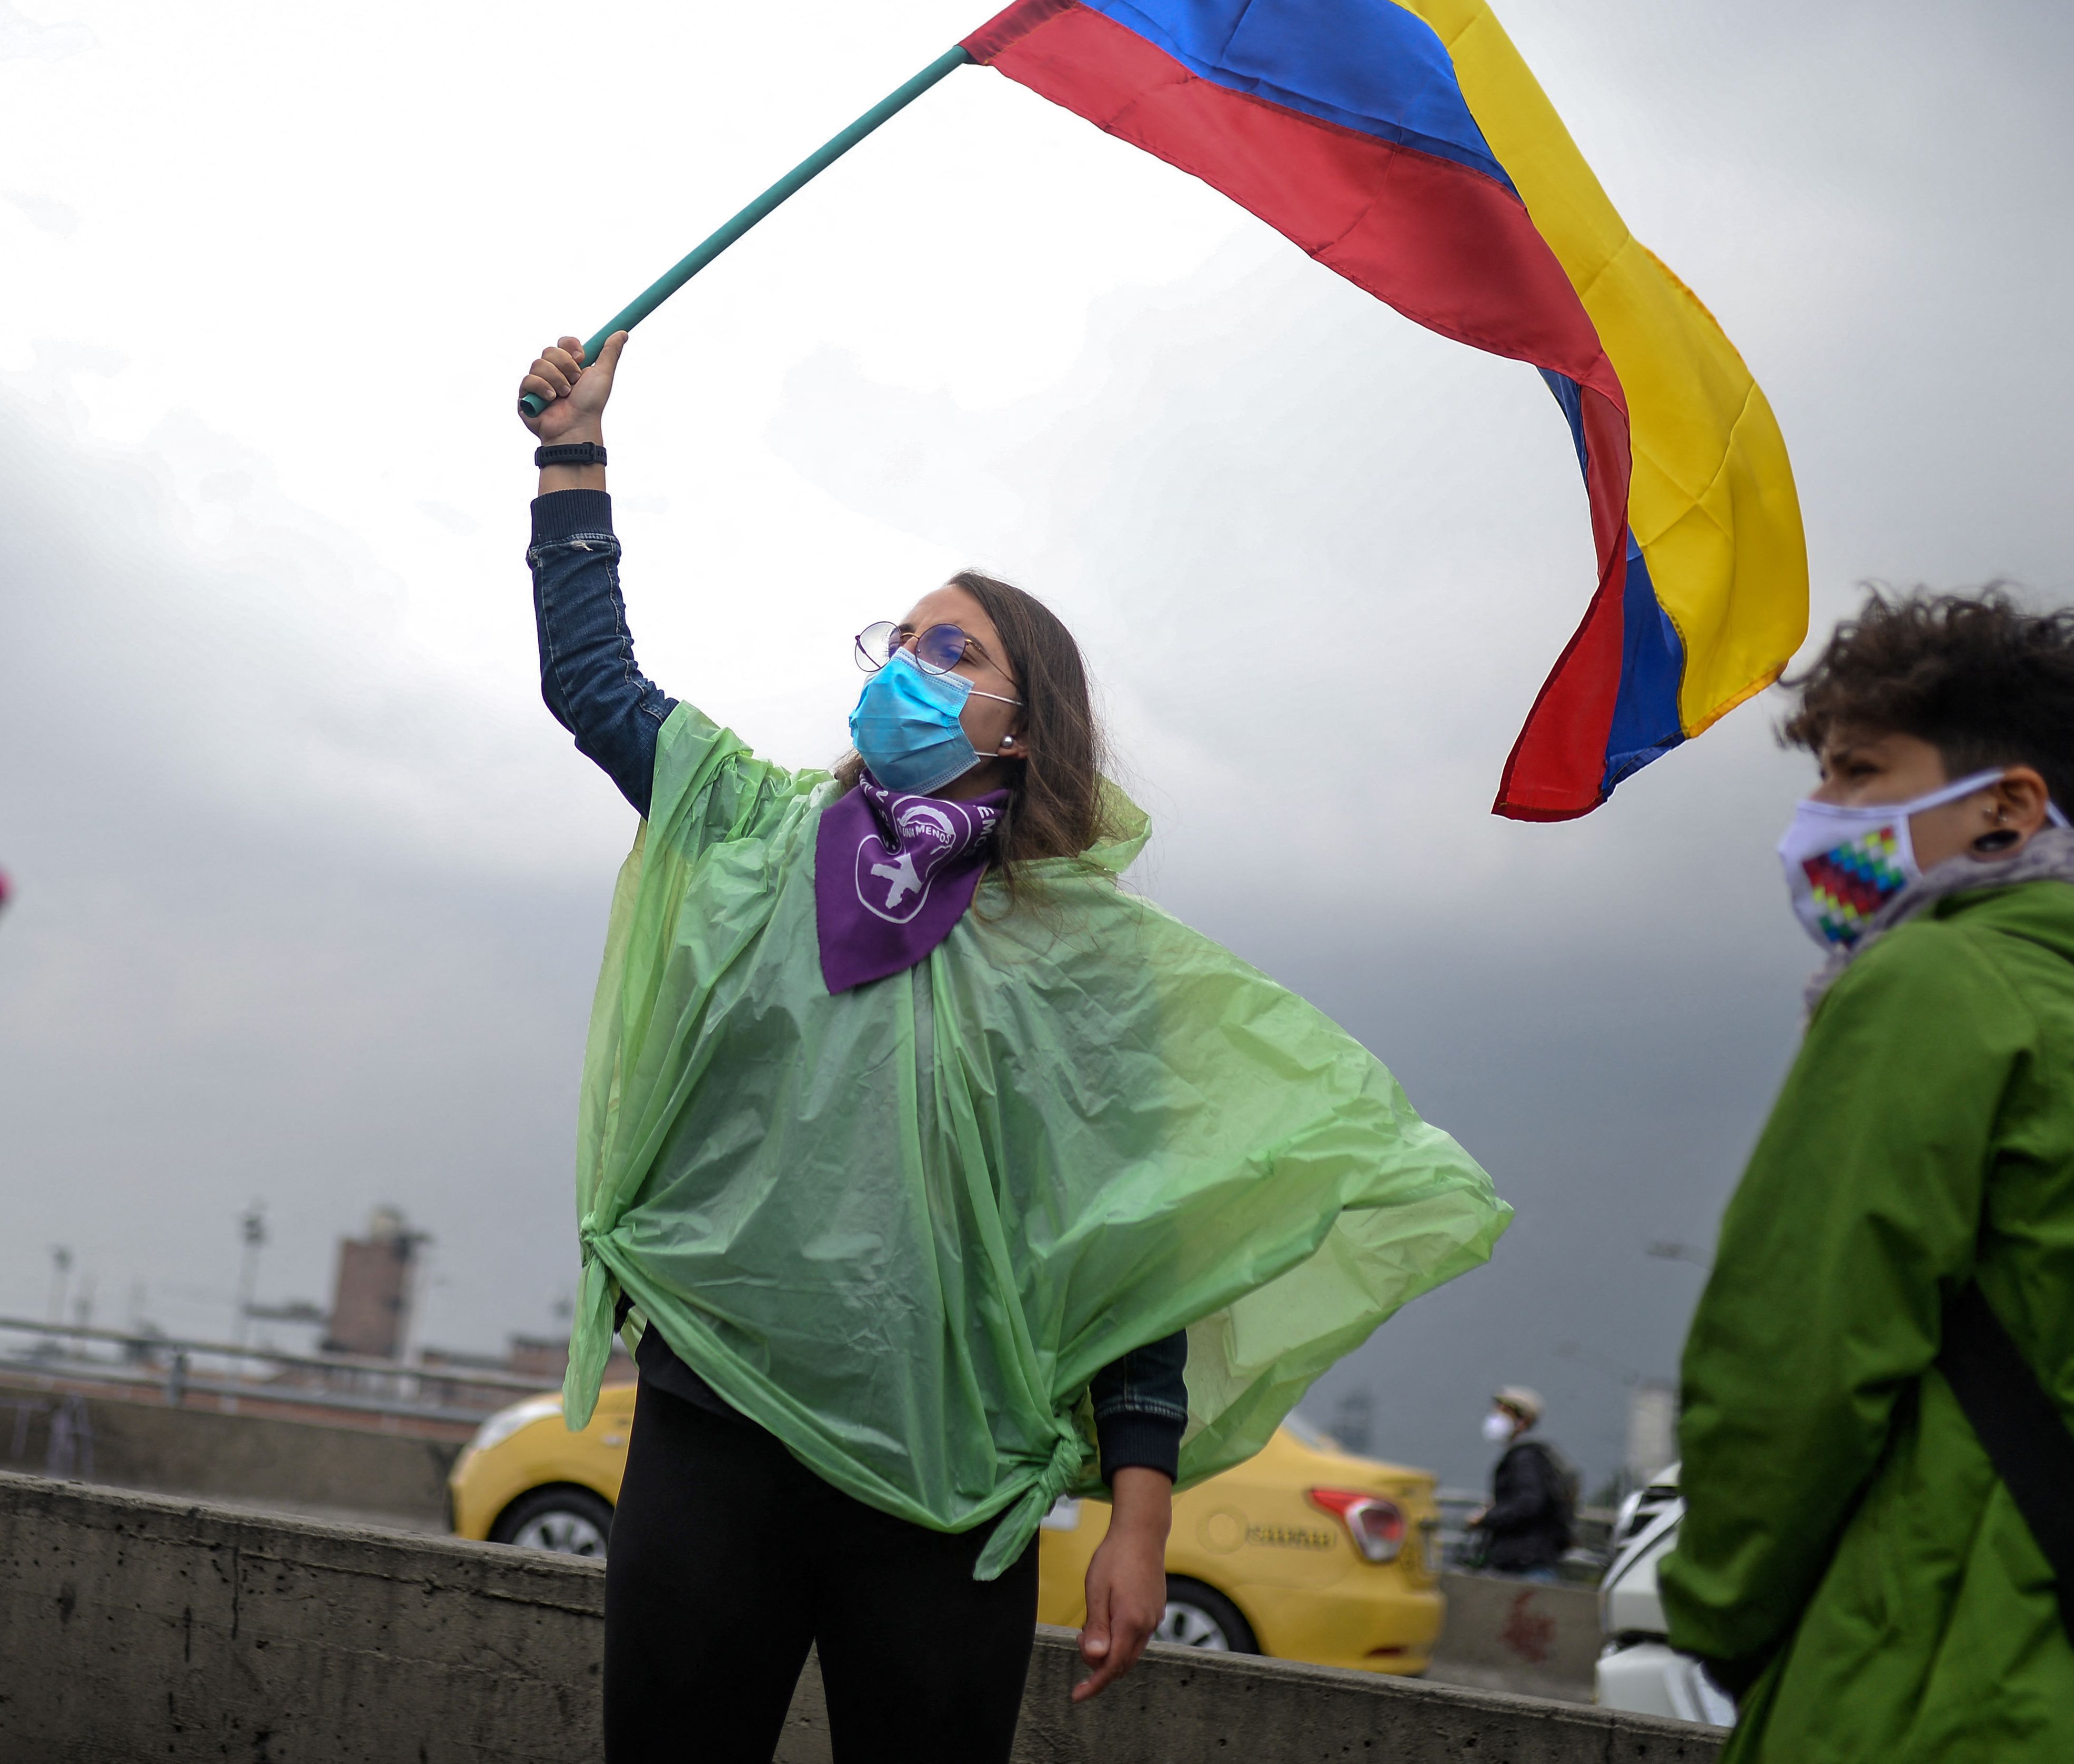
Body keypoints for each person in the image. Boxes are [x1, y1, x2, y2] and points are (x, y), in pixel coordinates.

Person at [518, 332, 1507, 1762]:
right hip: (714, 1426)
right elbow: (593, 681)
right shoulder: (751, 828)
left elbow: (1135, 1257)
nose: (902, 666)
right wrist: (571, 455)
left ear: (1021, 724)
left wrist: (1139, 1517)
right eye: (896, 640)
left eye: (948, 649)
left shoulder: (1087, 968)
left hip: (952, 1492)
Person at [1660, 590, 2074, 1761]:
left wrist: (1723, 1614)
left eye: (1858, 772)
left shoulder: (1933, 988)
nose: (1816, 816)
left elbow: (1788, 1358)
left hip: (1927, 1688)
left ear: (2008, 810)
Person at [1468, 1385, 1574, 1578]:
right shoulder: (1528, 1455)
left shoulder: (1526, 1457)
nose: (1496, 1418)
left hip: (1525, 1563)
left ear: (1523, 1421)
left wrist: (1488, 1518)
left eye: (1504, 1412)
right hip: (1527, 1558)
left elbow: (1529, 1503)